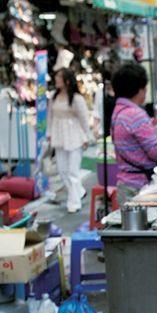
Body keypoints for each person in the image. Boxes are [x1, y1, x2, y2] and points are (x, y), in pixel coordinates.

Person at [111, 62, 157, 206]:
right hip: (140, 188)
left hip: (125, 184)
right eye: (145, 88)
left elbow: (138, 146)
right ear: (139, 89)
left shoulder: (118, 112)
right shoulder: (135, 114)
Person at [47, 67, 92, 213]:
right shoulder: (53, 96)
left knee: (73, 171)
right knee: (62, 170)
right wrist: (49, 133)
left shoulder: (77, 99)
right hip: (59, 136)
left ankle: (73, 202)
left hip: (75, 136)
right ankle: (78, 192)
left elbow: (84, 119)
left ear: (67, 80)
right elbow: (50, 117)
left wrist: (87, 136)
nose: (56, 80)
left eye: (59, 77)